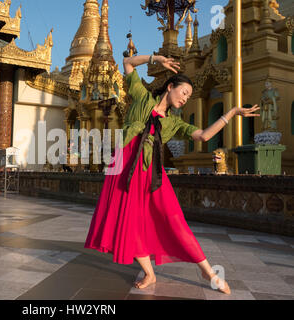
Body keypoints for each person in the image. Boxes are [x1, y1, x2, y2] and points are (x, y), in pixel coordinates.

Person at [84, 54, 260, 295]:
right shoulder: (141, 96)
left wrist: (230, 113)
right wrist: (155, 59)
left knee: (174, 219)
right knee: (129, 223)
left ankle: (208, 271)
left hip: (151, 174)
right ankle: (149, 272)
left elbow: (204, 136)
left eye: (189, 96)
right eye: (184, 92)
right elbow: (127, 63)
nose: (185, 99)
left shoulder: (174, 124)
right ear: (170, 87)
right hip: (124, 168)